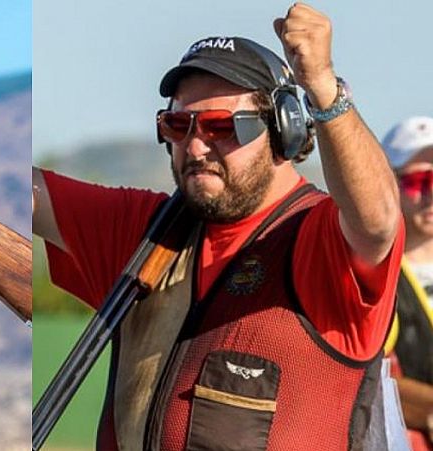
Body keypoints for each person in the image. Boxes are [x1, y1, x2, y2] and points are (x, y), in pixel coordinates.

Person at [33, 4, 405, 450]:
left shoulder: (319, 239)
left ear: (283, 130)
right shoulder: (146, 232)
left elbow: (378, 220)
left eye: (221, 127)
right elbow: (25, 192)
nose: (194, 146)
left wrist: (324, 89)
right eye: (177, 124)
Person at [381, 116, 433, 450]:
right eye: (419, 182)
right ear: (388, 186)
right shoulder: (377, 277)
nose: (431, 196)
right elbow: (374, 379)